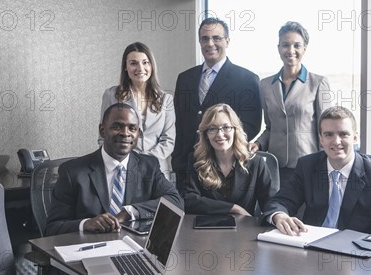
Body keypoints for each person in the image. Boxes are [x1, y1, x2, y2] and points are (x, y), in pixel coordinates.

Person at [261, 106, 371, 239]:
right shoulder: (307, 166)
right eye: (329, 135)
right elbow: (281, 201)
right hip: (310, 247)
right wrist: (279, 215)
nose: (336, 141)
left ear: (355, 138)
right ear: (321, 139)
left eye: (343, 134)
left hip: (354, 255)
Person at [46, 102, 183, 236]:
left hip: (132, 247)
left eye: (132, 128)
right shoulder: (72, 172)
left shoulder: (149, 166)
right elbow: (52, 228)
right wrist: (85, 224)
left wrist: (129, 212)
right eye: (117, 127)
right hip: (90, 250)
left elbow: (175, 202)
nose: (125, 133)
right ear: (102, 130)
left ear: (138, 134)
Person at [173, 17, 262, 191]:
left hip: (223, 169)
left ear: (227, 41)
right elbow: (179, 122)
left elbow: (251, 125)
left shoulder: (247, 79)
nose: (210, 43)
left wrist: (222, 152)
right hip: (185, 168)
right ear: (199, 41)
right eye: (205, 38)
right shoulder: (185, 78)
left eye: (216, 38)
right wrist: (177, 159)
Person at [249, 21, 333, 185]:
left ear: (304, 49)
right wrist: (258, 144)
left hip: (309, 166)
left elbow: (326, 130)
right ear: (278, 48)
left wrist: (325, 166)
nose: (291, 50)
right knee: (277, 210)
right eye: (285, 45)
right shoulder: (265, 85)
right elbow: (270, 127)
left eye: (297, 45)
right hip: (276, 168)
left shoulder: (318, 83)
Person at [99, 42, 175, 177]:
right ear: (125, 68)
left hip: (157, 171)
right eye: (133, 63)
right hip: (122, 170)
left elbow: (168, 140)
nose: (140, 68)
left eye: (145, 62)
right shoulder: (111, 95)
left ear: (151, 66)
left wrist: (144, 161)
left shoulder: (166, 99)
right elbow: (103, 136)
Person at [183, 103, 272, 216]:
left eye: (226, 127)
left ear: (235, 130)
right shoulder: (196, 160)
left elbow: (270, 201)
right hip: (207, 229)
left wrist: (278, 215)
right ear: (205, 134)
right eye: (212, 128)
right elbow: (189, 200)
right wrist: (233, 208)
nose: (220, 134)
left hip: (243, 229)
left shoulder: (256, 162)